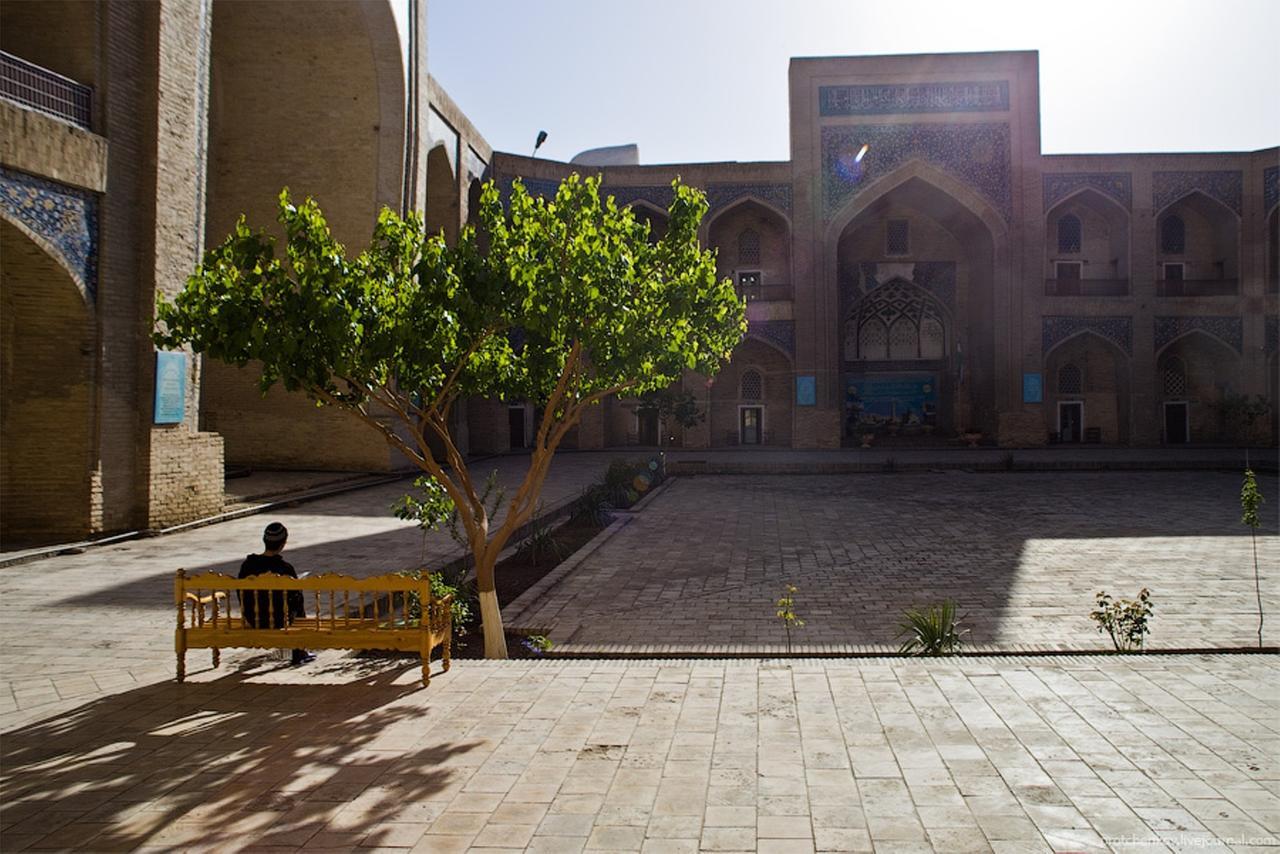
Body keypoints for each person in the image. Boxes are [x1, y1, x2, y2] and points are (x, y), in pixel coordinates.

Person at [238, 522, 315, 666]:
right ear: (283, 543)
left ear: (264, 541)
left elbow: (240, 593)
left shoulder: (247, 566)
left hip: (254, 618)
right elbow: (295, 600)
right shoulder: (285, 569)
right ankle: (299, 650)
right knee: (297, 597)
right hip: (280, 620)